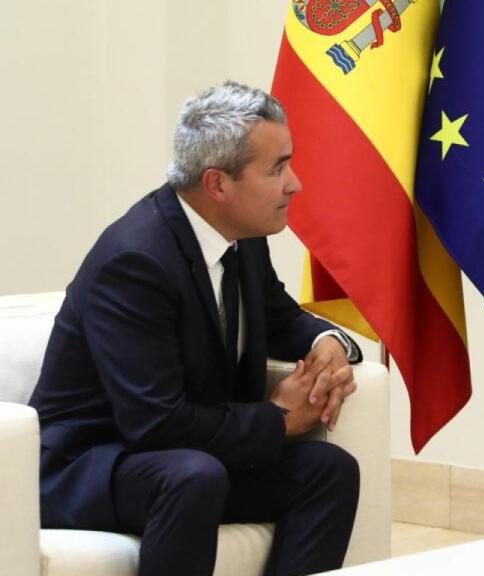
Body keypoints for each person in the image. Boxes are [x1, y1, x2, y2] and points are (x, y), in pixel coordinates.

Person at [29, 81, 364, 576]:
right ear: (218, 185)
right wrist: (276, 420)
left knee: (329, 470)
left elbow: (281, 317)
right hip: (91, 465)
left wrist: (329, 344)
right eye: (277, 169)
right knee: (192, 476)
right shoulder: (136, 261)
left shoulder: (242, 237)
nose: (295, 183)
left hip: (182, 459)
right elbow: (155, 423)